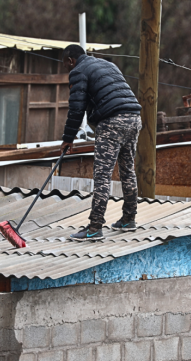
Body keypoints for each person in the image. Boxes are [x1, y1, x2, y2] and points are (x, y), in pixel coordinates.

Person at [59, 44, 143, 241]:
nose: (67, 69)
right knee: (127, 170)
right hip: (134, 118)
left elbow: (76, 109)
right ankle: (129, 219)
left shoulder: (78, 71)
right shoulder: (109, 65)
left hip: (112, 122)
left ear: (71, 60)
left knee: (102, 175)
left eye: (66, 65)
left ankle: (95, 227)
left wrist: (67, 139)